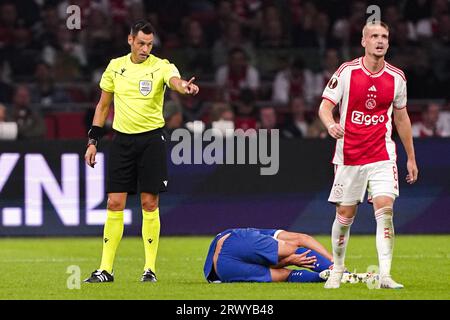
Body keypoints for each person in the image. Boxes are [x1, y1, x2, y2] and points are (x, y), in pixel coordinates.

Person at [83, 20, 199, 283]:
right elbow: (103, 106)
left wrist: (185, 87)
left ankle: (149, 269)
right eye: (141, 43)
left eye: (149, 44)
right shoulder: (115, 66)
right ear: (130, 40)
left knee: (150, 203)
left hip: (151, 140)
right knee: (115, 203)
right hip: (122, 141)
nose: (146, 48)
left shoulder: (161, 65)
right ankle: (105, 270)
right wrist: (93, 140)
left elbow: (175, 81)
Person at [318, 21, 418, 289]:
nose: (380, 40)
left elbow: (401, 118)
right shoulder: (347, 72)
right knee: (345, 214)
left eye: (384, 36)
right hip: (349, 156)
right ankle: (337, 269)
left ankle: (384, 275)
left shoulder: (397, 77)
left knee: (385, 210)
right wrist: (330, 125)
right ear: (363, 41)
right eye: (374, 36)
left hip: (382, 155)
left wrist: (410, 157)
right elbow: (325, 107)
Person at [203, 227, 370, 283]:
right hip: (234, 241)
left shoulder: (256, 237)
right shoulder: (262, 234)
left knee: (284, 275)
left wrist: (289, 261)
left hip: (219, 271)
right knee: (293, 249)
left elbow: (265, 266)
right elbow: (301, 239)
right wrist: (332, 258)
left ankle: (327, 276)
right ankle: (344, 274)